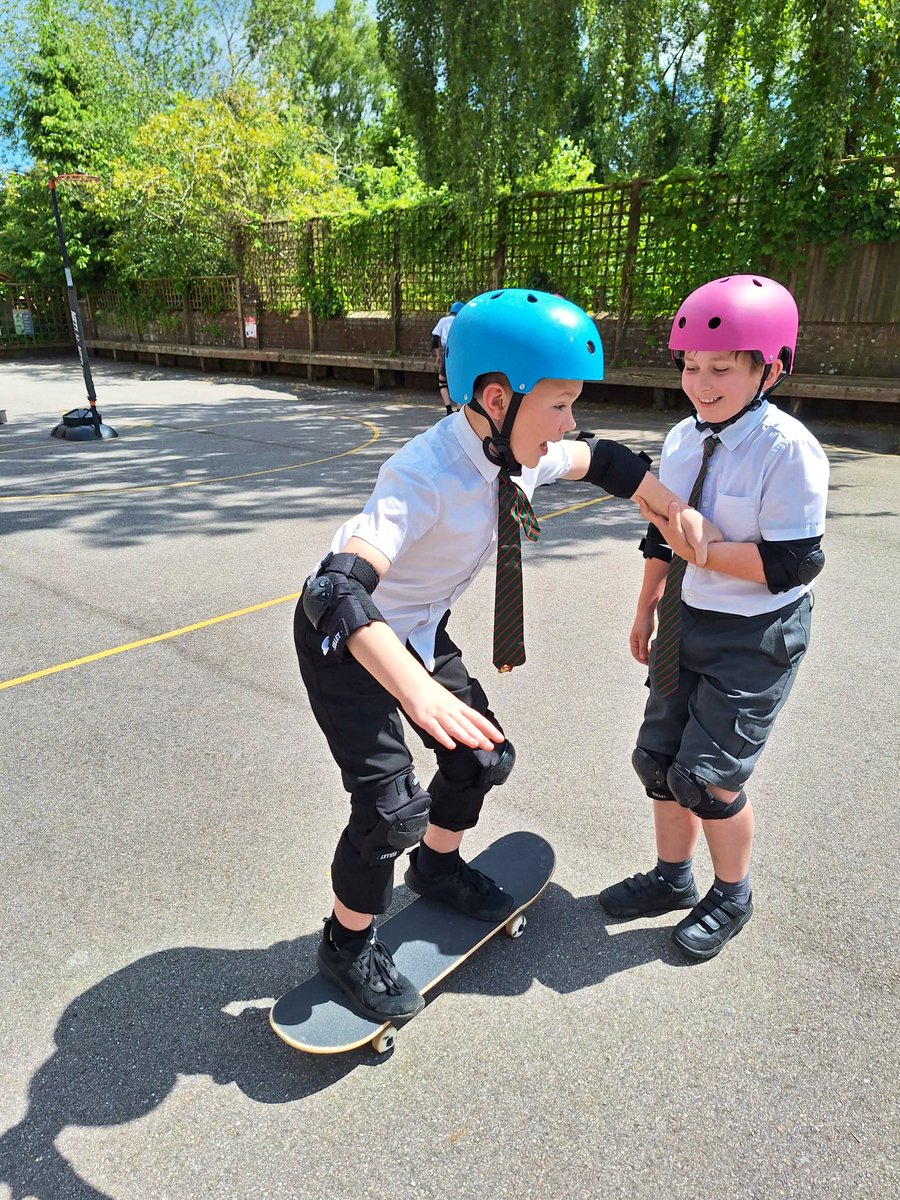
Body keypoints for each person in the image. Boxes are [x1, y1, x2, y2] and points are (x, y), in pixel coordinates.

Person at [294, 288, 719, 1023]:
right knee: (388, 809)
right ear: (497, 398)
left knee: (480, 759)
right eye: (559, 405)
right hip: (349, 645)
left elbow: (605, 461)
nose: (569, 422)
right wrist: (416, 693)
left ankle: (436, 865)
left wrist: (666, 503)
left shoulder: (519, 454)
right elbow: (334, 589)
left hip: (416, 632)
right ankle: (345, 944)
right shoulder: (420, 473)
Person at [598, 275, 830, 960]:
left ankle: (733, 892)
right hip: (683, 617)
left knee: (709, 779)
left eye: (721, 369)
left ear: (771, 368)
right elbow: (661, 535)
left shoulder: (788, 451)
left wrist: (707, 548)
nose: (701, 383)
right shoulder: (681, 439)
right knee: (659, 761)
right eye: (691, 367)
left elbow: (793, 565)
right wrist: (647, 604)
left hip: (754, 636)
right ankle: (673, 878)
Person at [432, 300, 464, 415]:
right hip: (460, 352)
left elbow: (435, 339)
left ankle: (448, 408)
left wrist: (438, 355)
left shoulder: (443, 321)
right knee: (459, 379)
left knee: (442, 381)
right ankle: (460, 408)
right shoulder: (462, 321)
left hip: (448, 351)